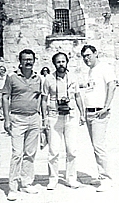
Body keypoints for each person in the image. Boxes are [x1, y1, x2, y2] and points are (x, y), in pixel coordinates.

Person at [41, 52, 85, 190]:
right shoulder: (48, 79)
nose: (61, 64)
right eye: (58, 62)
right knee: (53, 151)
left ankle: (71, 178)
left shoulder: (73, 77)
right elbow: (43, 99)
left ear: (67, 62)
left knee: (72, 150)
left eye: (63, 61)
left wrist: (82, 114)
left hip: (70, 117)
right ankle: (53, 179)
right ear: (54, 64)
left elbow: (78, 96)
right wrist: (44, 118)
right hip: (54, 117)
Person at [2, 49, 42, 201]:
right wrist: (6, 119)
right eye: (25, 59)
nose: (28, 62)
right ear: (20, 61)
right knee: (17, 153)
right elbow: (5, 97)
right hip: (17, 119)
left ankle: (26, 183)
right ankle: (12, 187)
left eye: (30, 59)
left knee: (30, 153)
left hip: (33, 118)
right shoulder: (11, 77)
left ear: (34, 60)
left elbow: (40, 98)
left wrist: (41, 118)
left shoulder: (38, 78)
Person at [81, 45, 116, 192]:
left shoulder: (104, 67)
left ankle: (106, 178)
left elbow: (112, 85)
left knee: (99, 147)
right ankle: (101, 174)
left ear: (96, 54)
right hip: (89, 112)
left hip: (99, 112)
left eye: (88, 55)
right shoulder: (90, 71)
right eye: (84, 56)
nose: (86, 58)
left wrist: (106, 107)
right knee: (96, 146)